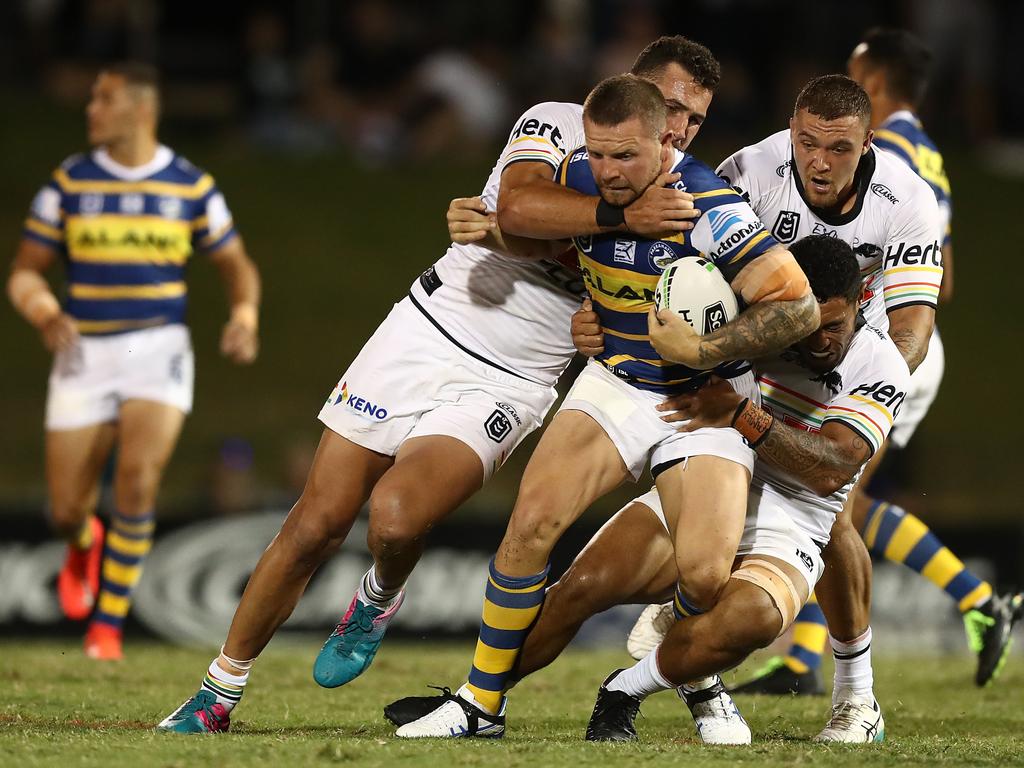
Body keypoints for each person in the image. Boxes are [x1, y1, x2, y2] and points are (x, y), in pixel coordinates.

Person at [156, 36, 714, 734]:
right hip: (426, 329)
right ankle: (217, 695)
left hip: (513, 378)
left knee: (395, 519)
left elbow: (648, 289)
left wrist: (598, 318)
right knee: (316, 522)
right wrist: (608, 222)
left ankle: (381, 589)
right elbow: (517, 207)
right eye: (668, 106)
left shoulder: (692, 192)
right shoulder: (559, 123)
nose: (679, 127)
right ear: (627, 91)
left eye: (693, 118)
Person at [393, 73, 818, 740]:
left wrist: (709, 351)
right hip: (617, 382)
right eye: (597, 153)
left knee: (705, 577)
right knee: (530, 524)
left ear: (662, 144)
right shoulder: (583, 182)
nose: (609, 171)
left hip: (702, 400)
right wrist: (487, 231)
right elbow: (549, 236)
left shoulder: (708, 204)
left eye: (626, 156)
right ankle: (481, 705)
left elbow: (797, 304)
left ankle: (692, 675)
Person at [575, 73, 949, 739]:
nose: (820, 161)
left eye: (838, 148)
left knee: (833, 504)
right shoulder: (749, 171)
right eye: (808, 142)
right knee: (757, 494)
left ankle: (855, 696)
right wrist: (602, 312)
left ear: (867, 146)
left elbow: (913, 329)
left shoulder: (907, 199)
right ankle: (692, 629)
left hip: (857, 348)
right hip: (758, 345)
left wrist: (861, 386)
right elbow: (684, 272)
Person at [719, 29, 1021, 697]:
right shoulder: (925, 149)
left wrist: (858, 344)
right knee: (836, 494)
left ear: (871, 80)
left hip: (880, 348)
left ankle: (838, 665)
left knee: (829, 491)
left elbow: (931, 289)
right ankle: (969, 599)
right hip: (851, 344)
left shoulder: (896, 159)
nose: (822, 161)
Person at [582, 234, 906, 743]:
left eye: (833, 326)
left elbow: (830, 470)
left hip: (796, 510)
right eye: (807, 326)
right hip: (720, 484)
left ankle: (855, 696)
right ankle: (482, 695)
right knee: (583, 585)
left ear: (861, 303)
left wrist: (742, 415)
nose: (818, 341)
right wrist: (595, 323)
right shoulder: (754, 318)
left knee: (768, 598)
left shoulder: (877, 361)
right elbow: (673, 296)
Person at [6, 62, 260, 662]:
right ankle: (80, 541)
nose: (91, 107)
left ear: (142, 110)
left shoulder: (190, 186)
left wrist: (243, 314)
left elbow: (234, 263)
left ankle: (106, 629)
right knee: (67, 506)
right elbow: (23, 271)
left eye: (105, 98)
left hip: (156, 348)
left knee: (138, 481)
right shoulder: (68, 183)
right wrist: (44, 312)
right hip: (83, 351)